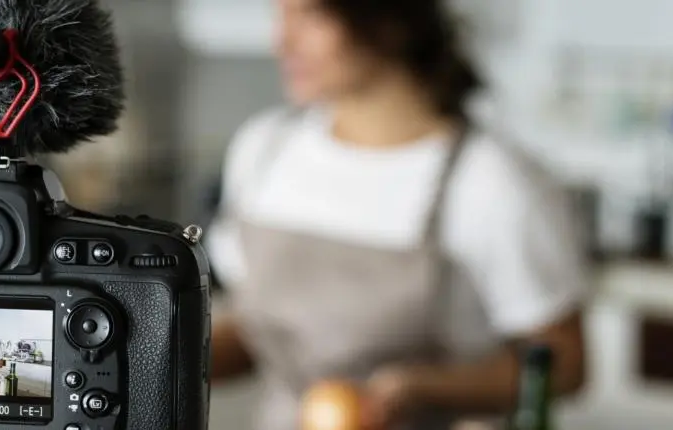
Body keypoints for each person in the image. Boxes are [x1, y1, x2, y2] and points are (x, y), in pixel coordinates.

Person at [206, 0, 589, 429]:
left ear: (390, 22)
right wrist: (157, 355)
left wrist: (422, 388)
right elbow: (255, 331)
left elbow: (566, 364)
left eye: (310, 16)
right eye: (278, 16)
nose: (281, 41)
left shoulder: (493, 182)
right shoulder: (265, 149)